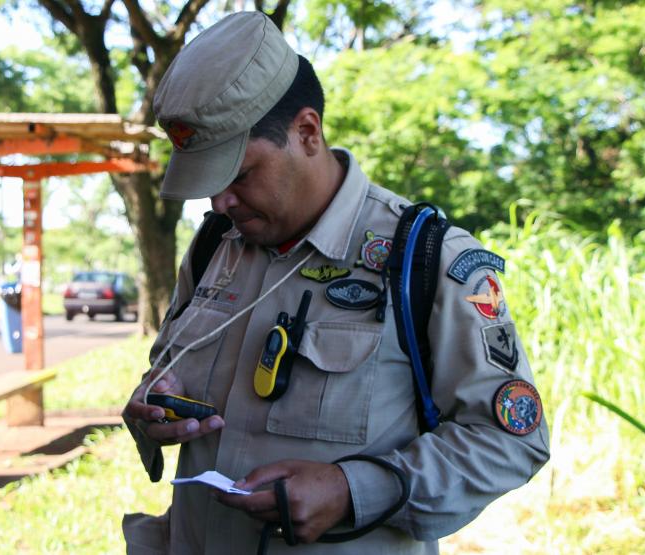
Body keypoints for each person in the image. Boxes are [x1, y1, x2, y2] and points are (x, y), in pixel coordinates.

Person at [122, 11, 549, 554]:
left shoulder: (425, 259)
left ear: (306, 132)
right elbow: (166, 370)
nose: (220, 202)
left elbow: (512, 439)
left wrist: (354, 490)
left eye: (238, 174)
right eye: (209, 182)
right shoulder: (214, 249)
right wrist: (155, 406)